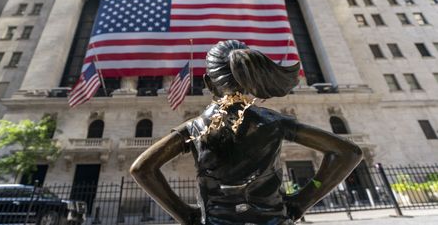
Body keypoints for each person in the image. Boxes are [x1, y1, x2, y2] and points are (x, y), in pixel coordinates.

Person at [130, 40, 363, 225]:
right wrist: (303, 200)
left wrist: (186, 215)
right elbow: (348, 153)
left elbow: (142, 169)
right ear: (251, 80)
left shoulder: (195, 128)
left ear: (208, 84)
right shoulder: (274, 122)